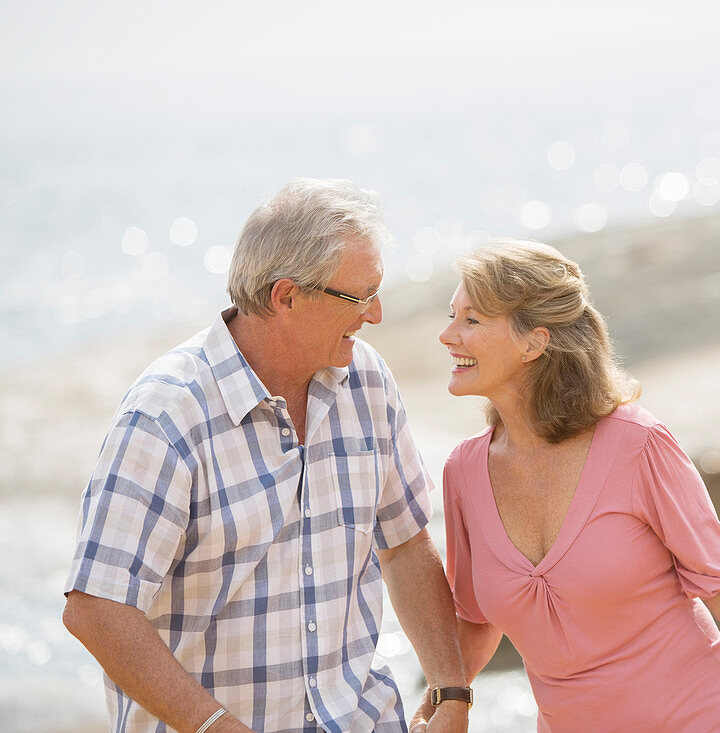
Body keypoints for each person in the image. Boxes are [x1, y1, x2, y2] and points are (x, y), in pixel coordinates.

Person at [63, 179, 470, 733]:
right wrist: (215, 727)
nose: (375, 314)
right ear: (286, 296)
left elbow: (404, 544)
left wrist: (451, 690)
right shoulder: (166, 415)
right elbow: (97, 608)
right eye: (359, 296)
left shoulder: (368, 380)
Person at [426, 239, 720, 732]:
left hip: (698, 719)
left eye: (471, 320)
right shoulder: (463, 472)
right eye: (452, 315)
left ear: (534, 342)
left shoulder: (637, 445)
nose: (448, 335)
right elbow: (475, 619)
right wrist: (447, 702)